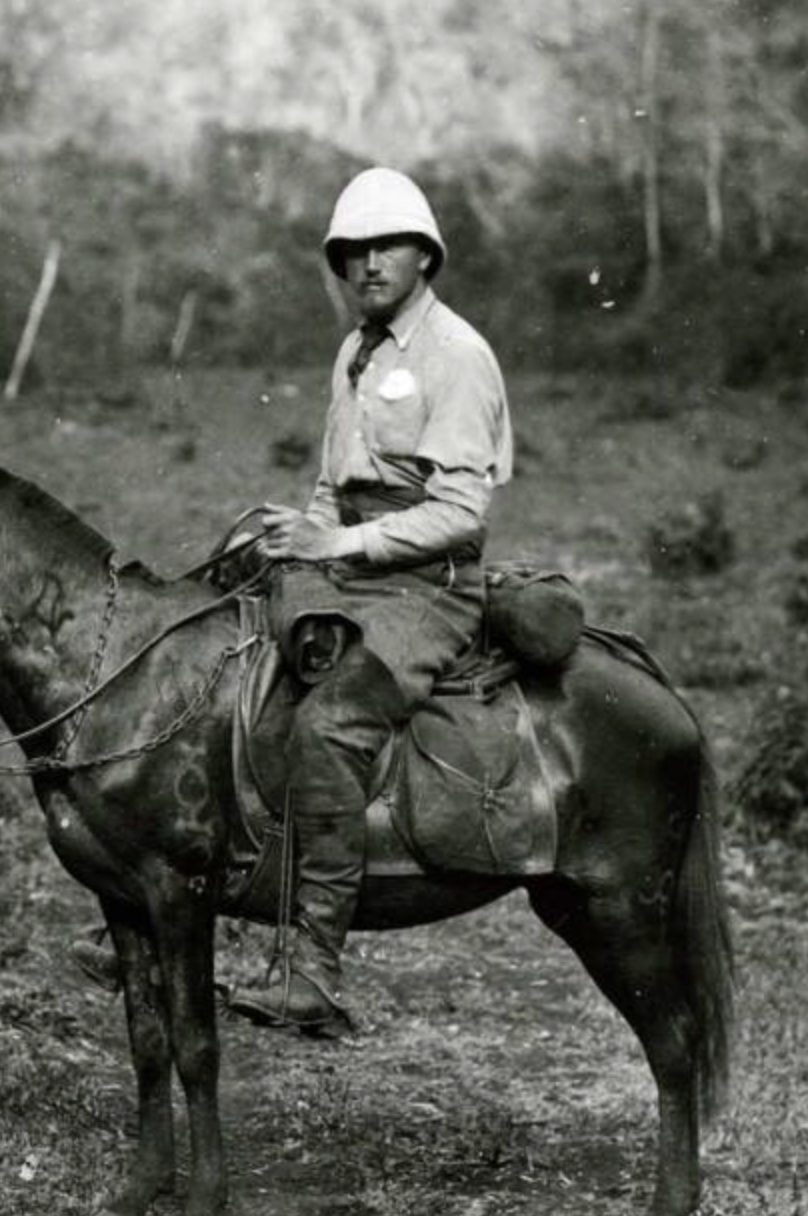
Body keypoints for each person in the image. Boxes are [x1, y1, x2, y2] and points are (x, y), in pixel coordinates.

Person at [223, 166, 514, 1031]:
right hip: (351, 568)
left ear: (425, 255)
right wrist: (298, 538)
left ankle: (312, 970)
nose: (369, 263)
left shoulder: (456, 355)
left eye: (387, 246)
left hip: (430, 587)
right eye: (352, 251)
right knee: (228, 652)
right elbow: (331, 486)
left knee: (328, 725)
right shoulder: (356, 351)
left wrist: (338, 545)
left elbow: (460, 514)